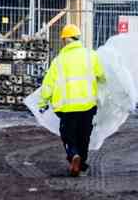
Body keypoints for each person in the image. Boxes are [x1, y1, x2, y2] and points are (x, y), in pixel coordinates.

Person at [38, 24, 105, 177]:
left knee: (68, 135)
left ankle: (73, 155)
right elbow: (102, 76)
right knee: (84, 135)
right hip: (88, 106)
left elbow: (48, 84)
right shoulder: (91, 56)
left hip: (66, 108)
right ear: (78, 38)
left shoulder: (58, 61)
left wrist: (43, 102)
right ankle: (81, 163)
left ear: (65, 40)